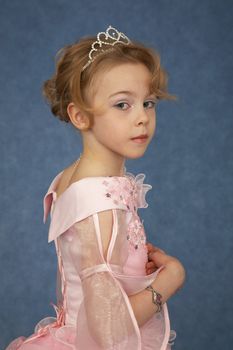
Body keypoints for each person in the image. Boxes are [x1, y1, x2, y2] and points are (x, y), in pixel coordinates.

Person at [6, 25, 186, 350]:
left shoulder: (72, 177)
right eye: (122, 105)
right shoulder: (100, 201)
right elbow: (110, 332)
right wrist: (169, 281)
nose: (143, 117)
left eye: (149, 102)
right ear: (79, 116)